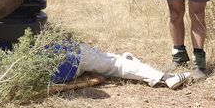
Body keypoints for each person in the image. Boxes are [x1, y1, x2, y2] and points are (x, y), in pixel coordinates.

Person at [52, 43, 191, 90]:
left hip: (62, 75)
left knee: (107, 62)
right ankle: (165, 77)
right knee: (114, 63)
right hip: (73, 60)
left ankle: (131, 62)